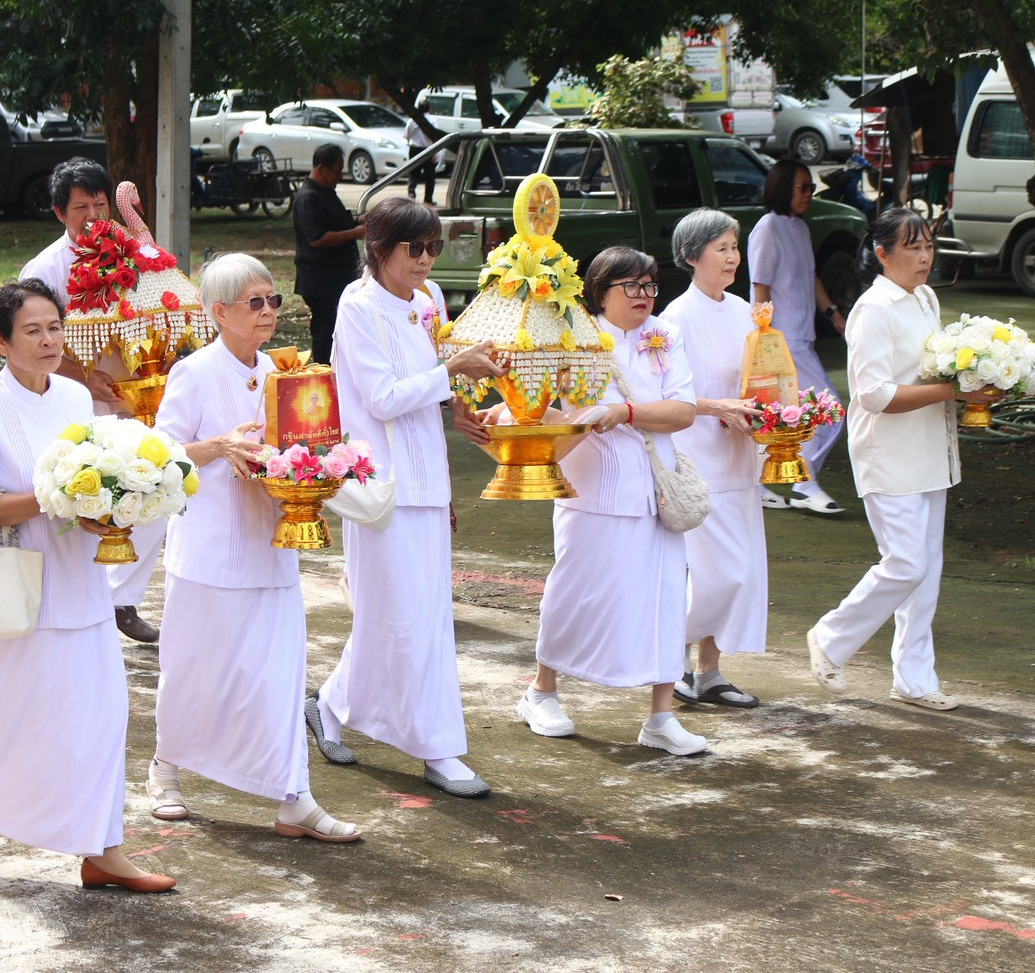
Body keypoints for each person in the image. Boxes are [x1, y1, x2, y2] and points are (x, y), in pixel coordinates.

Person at [0, 278, 174, 892]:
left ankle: (103, 849)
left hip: (83, 581)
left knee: (102, 717)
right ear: (1, 340)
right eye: (33, 331)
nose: (49, 341)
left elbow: (102, 475)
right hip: (16, 585)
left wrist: (122, 497)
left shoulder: (76, 396)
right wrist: (59, 497)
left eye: (55, 327)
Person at [145, 252, 360, 843]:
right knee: (193, 668)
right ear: (219, 312)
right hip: (211, 546)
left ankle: (294, 797)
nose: (268, 313)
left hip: (272, 542)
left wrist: (322, 461)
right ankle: (166, 770)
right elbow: (159, 452)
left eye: (274, 301)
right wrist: (218, 447)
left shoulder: (283, 369)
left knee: (280, 673)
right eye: (255, 303)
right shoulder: (193, 372)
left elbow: (308, 434)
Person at [307, 196, 503, 797]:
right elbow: (385, 396)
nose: (425, 260)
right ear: (378, 249)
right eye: (413, 248)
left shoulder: (430, 301)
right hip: (380, 483)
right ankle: (437, 748)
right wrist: (453, 372)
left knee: (421, 618)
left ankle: (332, 706)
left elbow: (434, 379)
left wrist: (465, 407)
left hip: (427, 477)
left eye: (433, 248)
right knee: (397, 617)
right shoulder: (356, 304)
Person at [516, 246, 707, 756]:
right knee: (577, 590)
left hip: (656, 490)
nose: (645, 296)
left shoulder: (666, 335)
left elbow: (684, 410)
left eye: (650, 285)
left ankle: (661, 716)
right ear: (601, 292)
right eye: (632, 286)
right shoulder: (573, 336)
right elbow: (548, 406)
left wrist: (624, 412)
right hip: (593, 487)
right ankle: (541, 691)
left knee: (665, 600)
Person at [806, 209, 996, 712]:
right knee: (906, 563)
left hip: (931, 446)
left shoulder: (927, 297)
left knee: (926, 569)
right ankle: (831, 637)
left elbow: (934, 368)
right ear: (882, 254)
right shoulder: (873, 309)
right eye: (912, 247)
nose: (924, 256)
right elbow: (872, 394)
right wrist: (950, 389)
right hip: (887, 452)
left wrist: (973, 381)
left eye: (929, 245)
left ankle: (914, 677)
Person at [19, 158, 159, 644]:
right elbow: (34, 342)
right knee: (84, 496)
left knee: (153, 491)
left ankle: (121, 600)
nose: (93, 214)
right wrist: (84, 376)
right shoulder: (44, 270)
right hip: (71, 400)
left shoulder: (134, 254)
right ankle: (84, 600)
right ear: (60, 212)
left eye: (100, 204)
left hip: (132, 393)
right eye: (81, 207)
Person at [658, 211, 770, 709]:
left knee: (743, 571)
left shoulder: (747, 310)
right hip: (699, 458)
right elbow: (673, 393)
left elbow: (762, 375)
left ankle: (709, 669)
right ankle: (668, 656)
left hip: (741, 457)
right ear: (691, 256)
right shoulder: (674, 319)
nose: (733, 257)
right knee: (715, 572)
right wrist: (719, 408)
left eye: (735, 246)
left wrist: (778, 412)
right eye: (721, 248)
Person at [749, 157, 848, 514]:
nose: (809, 194)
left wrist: (834, 314)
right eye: (802, 187)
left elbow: (812, 278)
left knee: (790, 415)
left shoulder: (800, 228)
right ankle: (803, 483)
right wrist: (763, 340)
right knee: (830, 411)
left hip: (804, 337)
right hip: (782, 340)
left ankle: (765, 483)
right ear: (781, 188)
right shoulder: (767, 228)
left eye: (812, 188)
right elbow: (760, 288)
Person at [292, 143, 365, 365]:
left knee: (340, 329)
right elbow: (317, 237)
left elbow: (335, 221)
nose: (339, 177)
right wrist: (354, 232)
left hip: (338, 277)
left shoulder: (326, 193)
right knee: (325, 332)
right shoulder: (307, 197)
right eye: (336, 171)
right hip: (322, 280)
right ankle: (323, 370)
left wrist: (357, 221)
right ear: (322, 168)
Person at [404, 100, 437, 205]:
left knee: (413, 174)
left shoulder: (412, 121)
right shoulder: (433, 120)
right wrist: (436, 153)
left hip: (414, 149)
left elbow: (406, 136)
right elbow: (435, 138)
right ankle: (428, 199)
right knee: (430, 176)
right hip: (428, 150)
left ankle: (411, 195)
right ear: (429, 108)